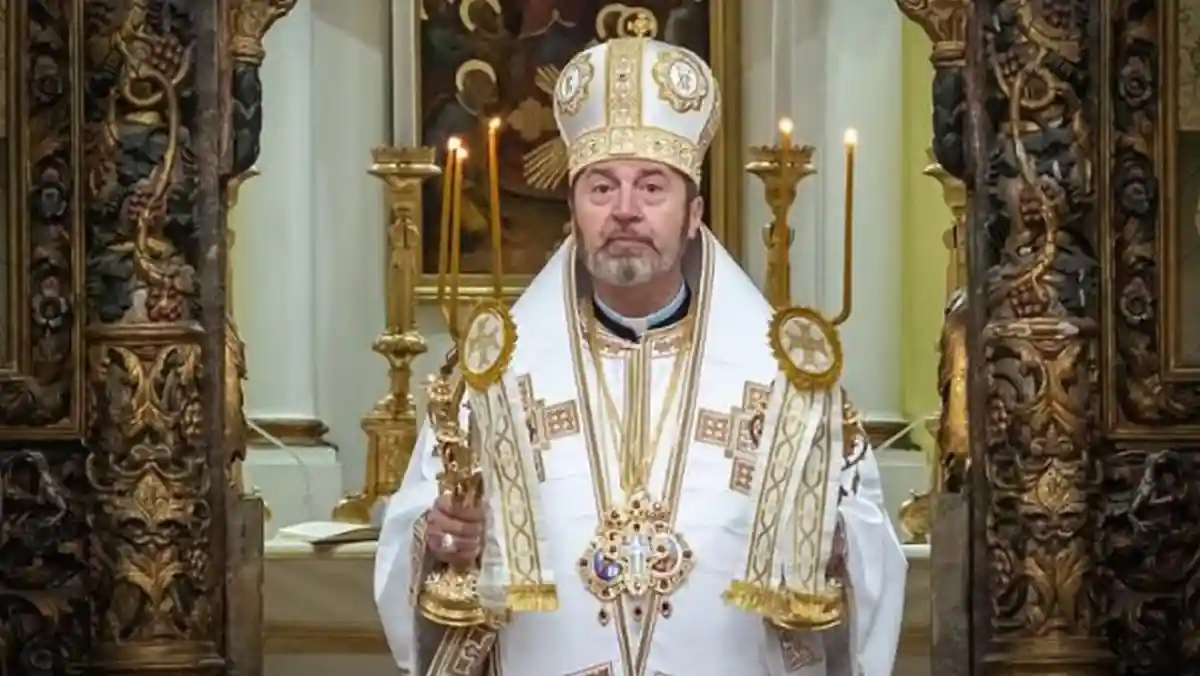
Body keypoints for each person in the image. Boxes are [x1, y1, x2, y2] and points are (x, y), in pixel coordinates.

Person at [375, 31, 907, 676]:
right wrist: (440, 542)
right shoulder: (491, 380)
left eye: (652, 188)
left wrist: (830, 542)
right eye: (601, 188)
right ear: (573, 210)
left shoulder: (786, 383)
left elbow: (870, 555)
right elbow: (418, 543)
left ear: (694, 213)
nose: (625, 211)